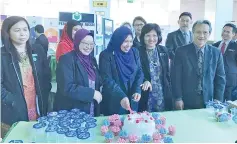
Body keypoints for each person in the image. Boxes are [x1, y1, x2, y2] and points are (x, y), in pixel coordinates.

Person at [1, 16, 51, 136]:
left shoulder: (37, 50)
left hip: (37, 103)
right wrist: (12, 101)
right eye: (17, 30)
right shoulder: (2, 55)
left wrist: (45, 92)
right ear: (8, 32)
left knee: (37, 136)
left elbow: (46, 74)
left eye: (25, 29)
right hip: (14, 108)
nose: (22, 33)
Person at [172, 20, 226, 110]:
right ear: (193, 32)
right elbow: (176, 77)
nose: (201, 36)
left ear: (209, 33)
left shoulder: (216, 52)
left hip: (209, 100)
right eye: (198, 32)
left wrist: (218, 99)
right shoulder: (181, 51)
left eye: (205, 32)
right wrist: (178, 98)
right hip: (186, 100)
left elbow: (220, 78)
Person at [54, 29, 102, 116]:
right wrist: (92, 93)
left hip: (90, 110)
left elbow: (97, 81)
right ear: (77, 41)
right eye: (85, 43)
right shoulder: (66, 59)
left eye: (91, 44)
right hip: (72, 112)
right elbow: (67, 87)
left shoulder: (92, 60)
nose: (88, 46)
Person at [99, 26, 144, 116]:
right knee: (114, 127)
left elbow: (139, 72)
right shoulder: (106, 55)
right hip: (114, 101)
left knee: (130, 125)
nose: (129, 45)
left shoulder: (135, 52)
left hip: (133, 99)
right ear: (118, 40)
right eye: (125, 41)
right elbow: (107, 79)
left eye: (130, 41)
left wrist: (137, 90)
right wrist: (121, 96)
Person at [138, 23, 172, 112]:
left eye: (154, 35)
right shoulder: (137, 51)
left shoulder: (163, 50)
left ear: (158, 36)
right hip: (145, 92)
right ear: (143, 37)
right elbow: (136, 72)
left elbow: (167, 73)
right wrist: (144, 80)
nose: (151, 39)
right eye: (148, 35)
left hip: (162, 92)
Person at [213, 23, 237, 101]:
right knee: (216, 100)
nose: (225, 33)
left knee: (228, 102)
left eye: (228, 32)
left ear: (233, 34)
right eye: (224, 31)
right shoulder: (214, 45)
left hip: (230, 81)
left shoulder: (235, 46)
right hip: (215, 78)